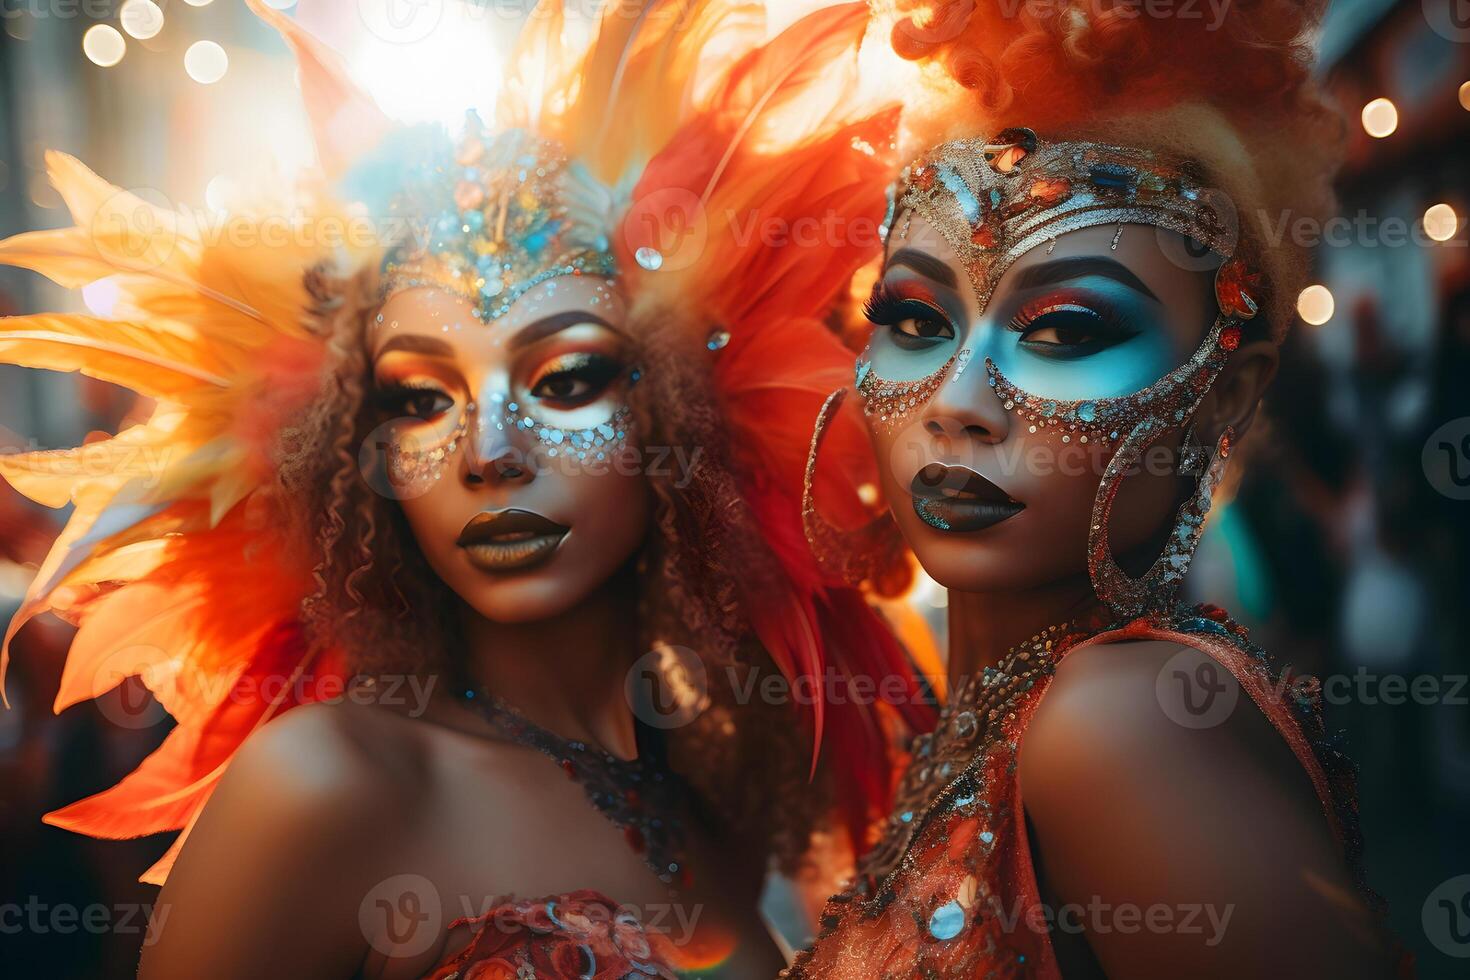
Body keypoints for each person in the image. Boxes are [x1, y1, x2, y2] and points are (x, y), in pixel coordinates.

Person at [0, 2, 930, 976]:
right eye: (420, 397)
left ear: (687, 418)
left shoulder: (699, 792)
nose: (488, 449)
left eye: (566, 380)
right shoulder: (328, 782)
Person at [790, 1, 1407, 976]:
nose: (959, 401)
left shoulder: (1116, 724)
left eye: (1066, 330)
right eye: (912, 316)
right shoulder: (1006, 714)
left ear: (1226, 391)